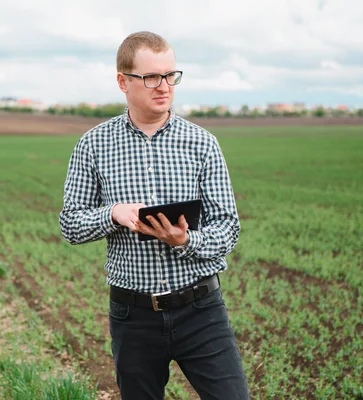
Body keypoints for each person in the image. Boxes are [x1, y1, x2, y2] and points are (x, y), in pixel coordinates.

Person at [59, 31, 249, 399]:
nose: (163, 87)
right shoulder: (93, 145)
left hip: (201, 310)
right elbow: (70, 224)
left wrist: (186, 240)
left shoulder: (202, 143)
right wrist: (112, 213)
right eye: (151, 77)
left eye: (170, 75)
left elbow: (228, 227)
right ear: (123, 82)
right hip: (133, 317)